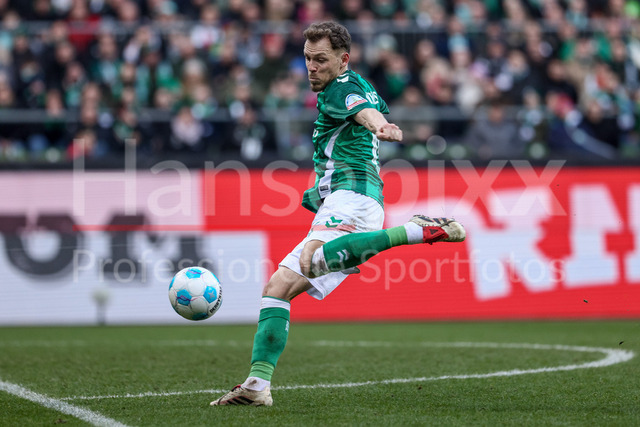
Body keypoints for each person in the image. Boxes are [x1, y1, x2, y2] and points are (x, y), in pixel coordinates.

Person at [210, 21, 465, 407]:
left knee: (311, 259)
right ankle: (258, 385)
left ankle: (417, 231)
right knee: (277, 289)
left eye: (321, 60)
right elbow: (360, 115)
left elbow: (363, 113)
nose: (312, 67)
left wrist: (381, 126)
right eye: (308, 59)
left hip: (354, 196)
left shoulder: (340, 87)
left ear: (343, 60)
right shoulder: (354, 83)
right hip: (347, 197)